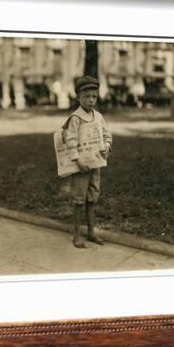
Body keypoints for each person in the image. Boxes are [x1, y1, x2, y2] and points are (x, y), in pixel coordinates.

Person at [63, 76, 112, 248]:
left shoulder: (98, 117)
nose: (91, 100)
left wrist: (106, 146)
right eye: (87, 96)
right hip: (81, 166)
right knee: (79, 199)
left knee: (93, 197)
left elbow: (106, 135)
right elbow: (70, 140)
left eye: (94, 96)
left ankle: (91, 232)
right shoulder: (76, 118)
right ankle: (77, 235)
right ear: (78, 97)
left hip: (95, 164)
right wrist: (77, 160)